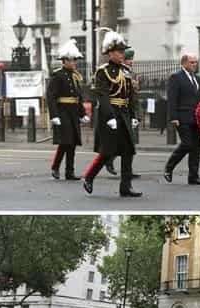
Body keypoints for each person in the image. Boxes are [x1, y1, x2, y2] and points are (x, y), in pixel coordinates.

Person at [81, 30, 141, 197]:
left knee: (128, 151)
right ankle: (89, 176)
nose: (122, 55)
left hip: (124, 113)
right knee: (108, 151)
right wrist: (110, 117)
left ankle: (126, 187)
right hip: (110, 114)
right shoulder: (103, 71)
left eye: (123, 52)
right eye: (119, 52)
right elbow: (103, 96)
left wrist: (134, 116)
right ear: (110, 52)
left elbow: (129, 96)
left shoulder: (126, 71)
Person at [46, 39, 89, 181]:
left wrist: (82, 113)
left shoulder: (75, 76)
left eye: (75, 60)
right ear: (64, 61)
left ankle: (69, 172)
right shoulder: (58, 75)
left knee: (73, 143)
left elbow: (78, 97)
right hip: (62, 112)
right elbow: (51, 97)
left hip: (73, 113)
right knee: (65, 142)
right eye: (71, 60)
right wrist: (54, 115)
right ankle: (55, 167)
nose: (74, 63)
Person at [164, 53, 200, 186]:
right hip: (182, 117)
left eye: (196, 62)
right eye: (192, 62)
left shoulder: (197, 78)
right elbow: (172, 98)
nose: (195, 65)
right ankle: (169, 167)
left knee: (196, 148)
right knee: (187, 144)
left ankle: (193, 176)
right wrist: (173, 117)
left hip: (196, 118)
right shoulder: (176, 77)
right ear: (184, 63)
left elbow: (198, 98)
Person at [123, 48, 141, 179]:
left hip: (132, 108)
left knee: (132, 142)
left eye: (131, 59)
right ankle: (109, 161)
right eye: (128, 59)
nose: (131, 61)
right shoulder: (120, 72)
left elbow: (135, 95)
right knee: (123, 142)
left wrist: (136, 114)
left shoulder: (132, 73)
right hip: (123, 110)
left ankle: (129, 170)